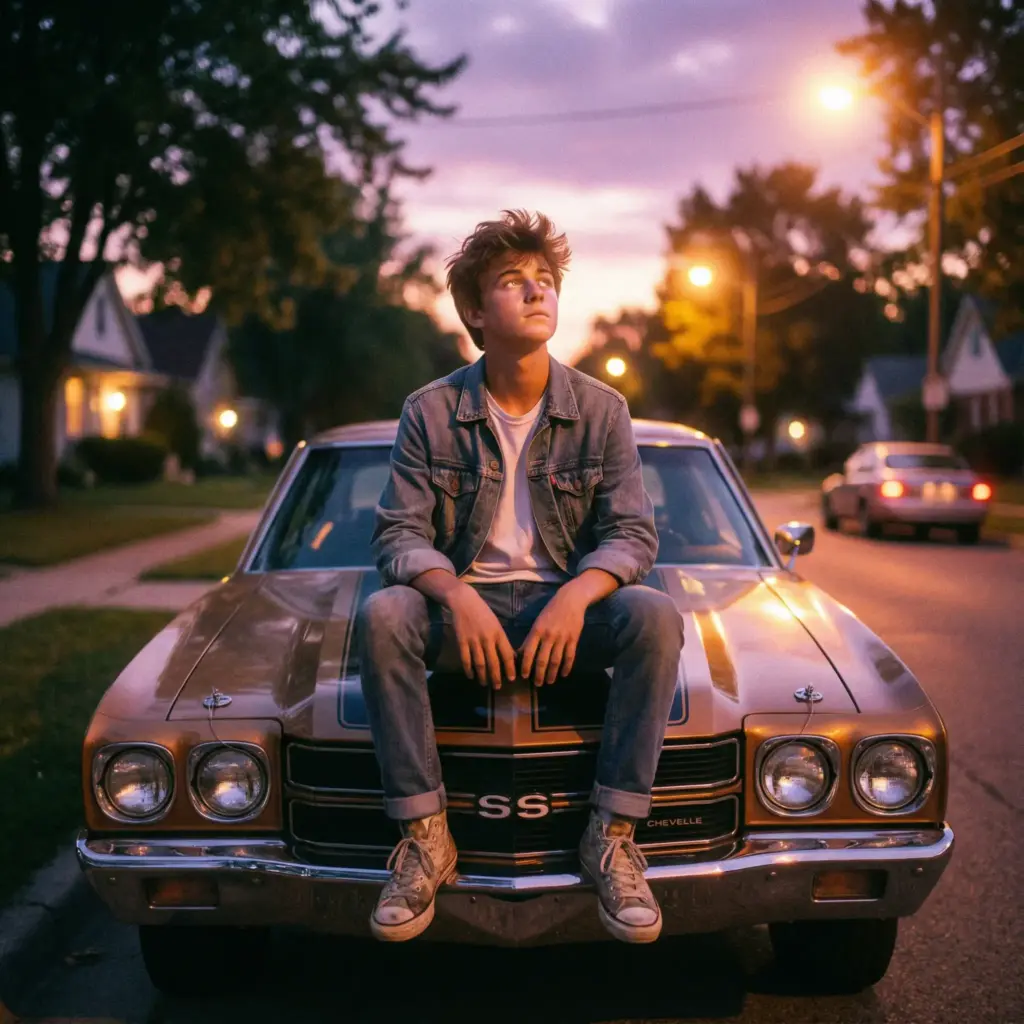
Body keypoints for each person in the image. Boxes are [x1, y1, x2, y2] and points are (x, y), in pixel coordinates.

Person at [356, 209, 685, 945]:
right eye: (513, 282)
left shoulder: (601, 411)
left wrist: (577, 592)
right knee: (384, 617)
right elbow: (399, 534)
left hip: (561, 612)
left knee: (656, 617)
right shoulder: (431, 412)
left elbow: (633, 533)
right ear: (476, 310)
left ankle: (612, 836)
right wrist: (454, 595)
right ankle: (425, 838)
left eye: (546, 281)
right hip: (459, 612)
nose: (537, 293)